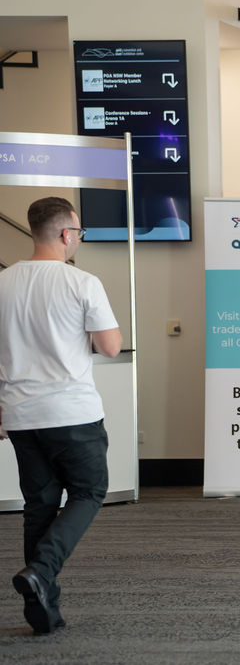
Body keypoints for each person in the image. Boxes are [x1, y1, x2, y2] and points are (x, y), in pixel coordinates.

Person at [0, 197, 122, 634]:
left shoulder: (3, 283)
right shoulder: (81, 282)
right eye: (80, 232)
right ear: (67, 234)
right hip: (72, 412)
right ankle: (41, 569)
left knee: (40, 506)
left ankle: (43, 611)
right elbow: (110, 346)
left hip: (21, 414)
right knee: (89, 491)